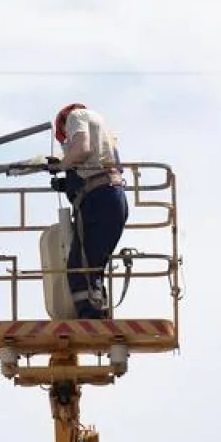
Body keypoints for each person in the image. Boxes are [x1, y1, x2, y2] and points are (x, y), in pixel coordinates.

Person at [46, 103, 129, 319]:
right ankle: (98, 313)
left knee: (79, 269)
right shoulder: (104, 132)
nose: (67, 141)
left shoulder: (76, 115)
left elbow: (82, 150)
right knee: (91, 266)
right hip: (110, 199)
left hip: (100, 201)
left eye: (66, 138)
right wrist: (67, 182)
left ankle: (89, 319)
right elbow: (93, 166)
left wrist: (60, 166)